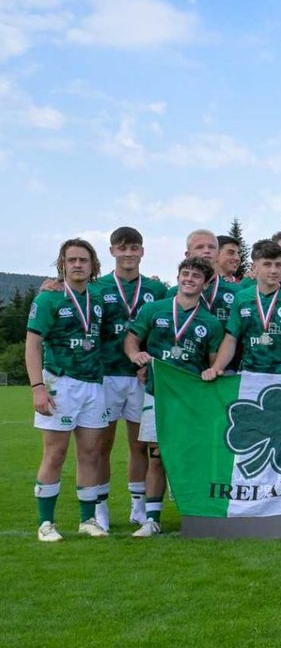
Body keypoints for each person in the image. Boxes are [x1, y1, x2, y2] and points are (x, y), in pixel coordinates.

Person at [125, 257, 224, 537]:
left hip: (191, 400)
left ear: (205, 284)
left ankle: (195, 514)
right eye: (185, 274)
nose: (189, 279)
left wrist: (212, 371)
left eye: (196, 276)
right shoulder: (154, 309)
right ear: (178, 277)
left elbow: (214, 362)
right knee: (157, 456)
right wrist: (135, 355)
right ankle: (152, 519)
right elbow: (131, 339)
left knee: (192, 457)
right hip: (158, 394)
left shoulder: (211, 323)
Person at [27, 239, 109, 541]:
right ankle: (46, 523)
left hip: (93, 383)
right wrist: (38, 387)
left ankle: (87, 520)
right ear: (62, 264)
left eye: (83, 260)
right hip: (59, 382)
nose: (77, 264)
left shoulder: (98, 297)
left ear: (93, 265)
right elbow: (33, 344)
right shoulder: (49, 298)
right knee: (55, 454)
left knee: (90, 454)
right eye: (71, 259)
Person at [92, 226, 168, 530]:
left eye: (134, 248)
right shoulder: (97, 287)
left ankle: (138, 506)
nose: (128, 253)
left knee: (140, 445)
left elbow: (164, 327)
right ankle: (100, 507)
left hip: (140, 377)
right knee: (101, 445)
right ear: (112, 251)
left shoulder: (156, 289)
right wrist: (54, 285)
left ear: (142, 251)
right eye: (122, 248)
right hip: (107, 374)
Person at [204, 240, 281, 378]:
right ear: (255, 267)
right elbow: (231, 338)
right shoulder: (242, 297)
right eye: (267, 264)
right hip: (250, 374)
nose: (274, 270)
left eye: (278, 265)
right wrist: (216, 368)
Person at [176, 229, 241, 326]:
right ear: (188, 255)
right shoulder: (174, 293)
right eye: (199, 247)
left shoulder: (236, 291)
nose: (207, 251)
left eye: (211, 247)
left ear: (218, 253)